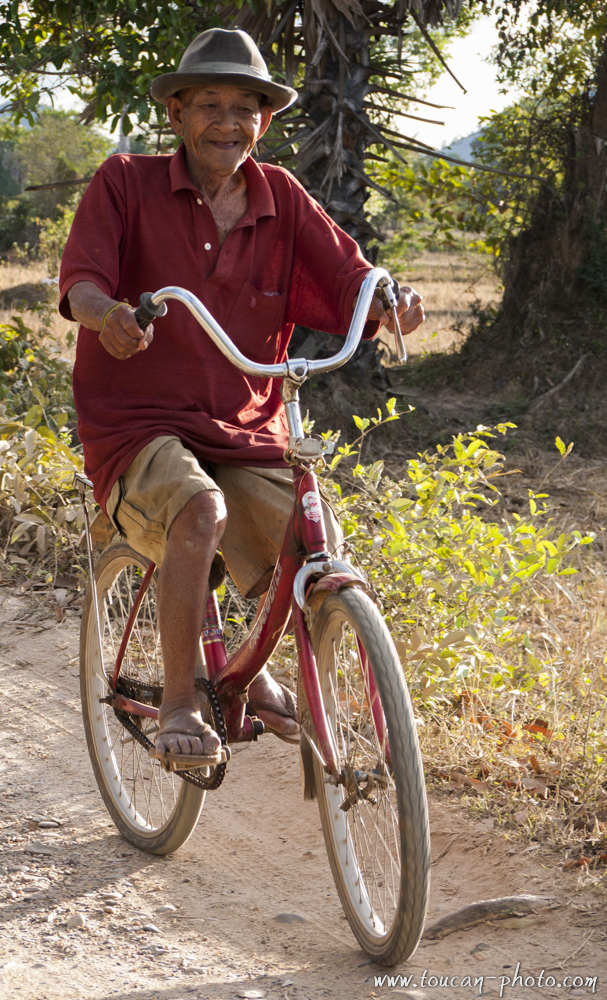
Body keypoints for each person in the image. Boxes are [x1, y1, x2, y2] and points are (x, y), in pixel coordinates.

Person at [59, 27, 424, 766]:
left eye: (245, 108)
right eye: (211, 105)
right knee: (199, 511)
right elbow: (82, 284)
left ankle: (251, 674)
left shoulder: (280, 196)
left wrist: (390, 300)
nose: (229, 122)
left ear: (265, 119)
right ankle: (182, 703)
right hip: (138, 423)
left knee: (307, 534)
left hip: (242, 424)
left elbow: (351, 275)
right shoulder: (124, 182)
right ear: (177, 115)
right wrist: (111, 318)